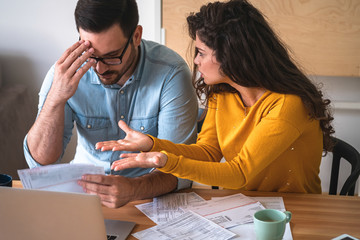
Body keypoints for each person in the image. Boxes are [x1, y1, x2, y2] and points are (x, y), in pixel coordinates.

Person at [96, 0, 335, 194]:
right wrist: (151, 144)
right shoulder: (223, 93)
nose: (196, 60)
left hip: (296, 213)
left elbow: (239, 173)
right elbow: (208, 152)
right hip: (246, 206)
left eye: (201, 52)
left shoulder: (287, 105)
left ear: (231, 55)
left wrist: (165, 161)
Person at [23, 0, 198, 208]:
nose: (99, 68)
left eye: (112, 57)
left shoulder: (171, 74)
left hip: (148, 197)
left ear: (136, 36)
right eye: (91, 54)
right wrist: (55, 99)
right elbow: (40, 163)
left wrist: (133, 188)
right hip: (83, 194)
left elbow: (180, 170)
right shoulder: (64, 73)